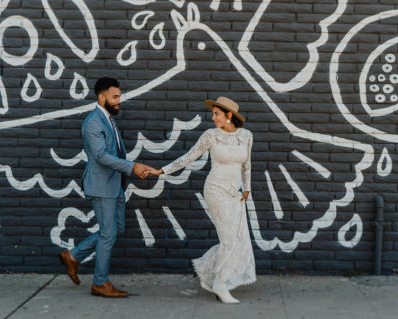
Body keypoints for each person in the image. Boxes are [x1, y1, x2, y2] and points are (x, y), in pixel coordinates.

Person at [152, 96, 256, 304]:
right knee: (229, 240)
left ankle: (209, 275)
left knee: (237, 240)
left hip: (236, 194)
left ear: (229, 115)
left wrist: (247, 189)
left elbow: (247, 165)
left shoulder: (246, 136)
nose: (213, 117)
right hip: (215, 191)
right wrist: (163, 170)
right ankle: (220, 284)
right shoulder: (211, 135)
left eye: (217, 114)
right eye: (213, 114)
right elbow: (189, 156)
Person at [59, 77, 156, 298]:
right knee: (108, 233)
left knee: (114, 230)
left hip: (114, 185)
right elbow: (101, 156)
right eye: (115, 96)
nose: (119, 100)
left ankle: (73, 255)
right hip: (102, 186)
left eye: (119, 96)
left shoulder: (109, 119)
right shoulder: (94, 122)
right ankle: (100, 283)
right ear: (101, 96)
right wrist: (133, 167)